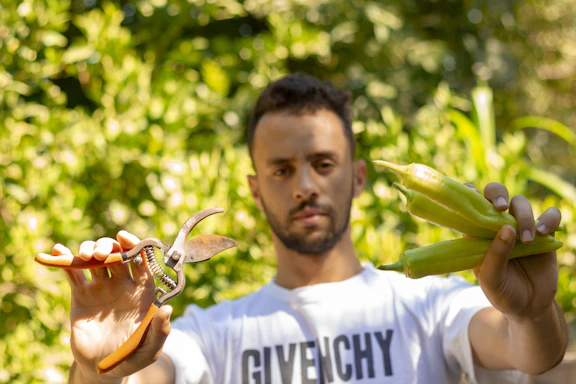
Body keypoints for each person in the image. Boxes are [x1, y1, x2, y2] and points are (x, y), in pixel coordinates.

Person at [50, 73, 568, 384]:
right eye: (281, 169)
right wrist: (102, 371)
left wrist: (533, 311)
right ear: (256, 189)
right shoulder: (214, 335)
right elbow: (150, 374)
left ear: (357, 176)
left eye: (323, 163)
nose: (304, 186)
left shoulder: (427, 306)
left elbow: (530, 352)